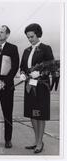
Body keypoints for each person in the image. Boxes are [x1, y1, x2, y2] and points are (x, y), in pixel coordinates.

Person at [20, 23, 54, 153]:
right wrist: (22, 73)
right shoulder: (26, 50)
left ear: (38, 34)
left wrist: (40, 73)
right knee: (32, 113)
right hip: (29, 85)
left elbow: (51, 66)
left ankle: (40, 142)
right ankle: (36, 140)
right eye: (28, 37)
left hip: (41, 86)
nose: (30, 39)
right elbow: (22, 66)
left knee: (40, 114)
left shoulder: (46, 48)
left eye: (32, 36)